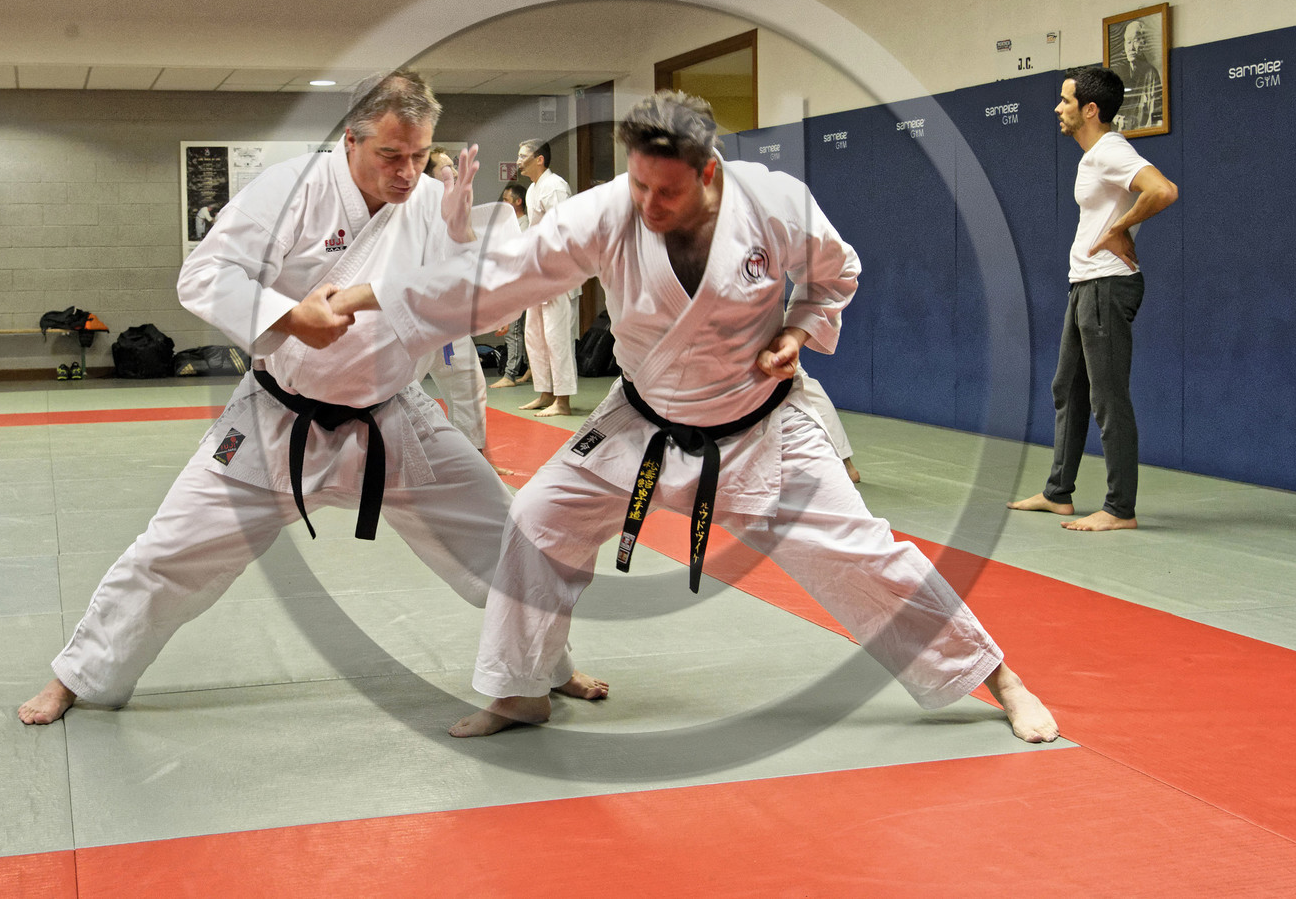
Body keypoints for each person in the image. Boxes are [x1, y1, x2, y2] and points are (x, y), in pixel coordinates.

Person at [331, 91, 1057, 744]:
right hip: (640, 422)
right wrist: (373, 296)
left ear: (710, 172)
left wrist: (797, 331)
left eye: (667, 190)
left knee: (860, 554)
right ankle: (523, 690)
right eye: (639, 184)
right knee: (538, 519)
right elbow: (500, 273)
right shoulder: (606, 212)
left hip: (757, 426)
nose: (648, 204)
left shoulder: (774, 204)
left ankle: (999, 679)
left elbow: (836, 275)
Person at [18, 71, 604, 725]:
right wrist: (290, 317)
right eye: (390, 155)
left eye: (418, 155)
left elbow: (465, 307)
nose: (408, 172)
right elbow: (205, 273)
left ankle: (545, 668)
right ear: (350, 139)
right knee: (171, 551)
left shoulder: (432, 200)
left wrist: (466, 245)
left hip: (393, 418)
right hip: (278, 420)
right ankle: (77, 675)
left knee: (507, 541)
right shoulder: (290, 190)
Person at [1008, 66, 1178, 531]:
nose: (1057, 108)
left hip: (1107, 285)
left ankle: (1120, 509)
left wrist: (1120, 229)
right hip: (1086, 284)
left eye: (1065, 101)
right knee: (1067, 388)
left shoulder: (1110, 151)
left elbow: (1163, 190)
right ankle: (1058, 493)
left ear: (1089, 110)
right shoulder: (1094, 157)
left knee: (1108, 398)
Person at [414, 147, 491, 458]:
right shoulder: (407, 214)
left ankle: (473, 459)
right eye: (445, 170)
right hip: (416, 323)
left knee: (469, 387)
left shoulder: (460, 213)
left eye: (454, 170)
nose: (454, 175)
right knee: (398, 393)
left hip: (451, 323)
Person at [515, 139, 577, 417]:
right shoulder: (532, 189)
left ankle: (563, 401)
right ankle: (545, 393)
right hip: (537, 271)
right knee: (535, 336)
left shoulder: (555, 186)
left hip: (557, 272)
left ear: (539, 159)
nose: (518, 161)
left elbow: (565, 229)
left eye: (523, 156)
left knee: (557, 337)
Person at [488, 184, 532, 389]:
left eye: (506, 200)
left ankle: (510, 374)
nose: (503, 203)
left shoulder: (525, 225)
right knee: (522, 330)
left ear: (518, 201)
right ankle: (530, 369)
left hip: (520, 283)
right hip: (511, 281)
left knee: (514, 330)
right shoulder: (510, 224)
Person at [1112, 19, 1162, 132]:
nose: (1131, 48)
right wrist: (1117, 118)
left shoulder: (1151, 73)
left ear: (1143, 44)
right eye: (1128, 42)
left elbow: (1156, 113)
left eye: (1135, 41)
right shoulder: (1120, 72)